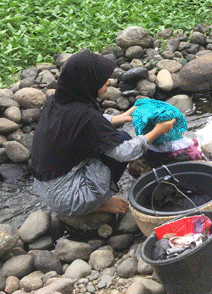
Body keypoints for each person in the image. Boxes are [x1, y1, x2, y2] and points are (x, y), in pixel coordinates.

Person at [30, 50, 176, 217]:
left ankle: (89, 202)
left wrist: (118, 118)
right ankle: (95, 205)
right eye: (101, 79)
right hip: (71, 200)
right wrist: (157, 131)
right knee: (122, 139)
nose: (108, 82)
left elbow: (81, 126)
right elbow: (124, 152)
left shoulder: (56, 101)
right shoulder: (87, 117)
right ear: (88, 83)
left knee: (107, 140)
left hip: (48, 191)